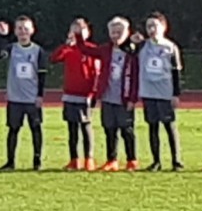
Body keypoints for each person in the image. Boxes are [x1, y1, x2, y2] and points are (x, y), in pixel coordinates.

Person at [77, 16, 139, 172]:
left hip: (124, 99)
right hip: (107, 97)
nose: (116, 35)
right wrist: (78, 34)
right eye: (113, 32)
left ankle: (132, 160)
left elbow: (136, 78)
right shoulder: (105, 50)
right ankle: (112, 160)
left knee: (127, 130)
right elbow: (85, 49)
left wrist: (132, 98)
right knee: (109, 129)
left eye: (119, 32)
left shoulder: (132, 53)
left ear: (127, 33)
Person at [0, 15, 47, 171]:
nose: (23, 31)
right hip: (15, 98)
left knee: (35, 129)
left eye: (26, 28)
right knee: (13, 130)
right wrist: (2, 37)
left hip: (32, 98)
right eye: (19, 28)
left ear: (32, 30)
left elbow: (42, 74)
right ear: (15, 31)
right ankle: (10, 162)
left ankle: (37, 161)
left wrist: (40, 95)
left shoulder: (38, 51)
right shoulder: (11, 48)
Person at [134, 12, 184, 172]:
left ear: (163, 27)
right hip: (148, 93)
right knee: (152, 127)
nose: (152, 29)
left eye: (155, 26)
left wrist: (176, 94)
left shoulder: (170, 47)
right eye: (149, 26)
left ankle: (176, 161)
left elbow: (176, 72)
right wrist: (131, 41)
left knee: (169, 126)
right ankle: (156, 161)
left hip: (165, 93)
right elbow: (126, 51)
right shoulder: (142, 46)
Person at [50, 18, 100, 171]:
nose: (76, 34)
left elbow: (96, 73)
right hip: (69, 94)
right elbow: (54, 58)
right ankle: (74, 160)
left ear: (87, 32)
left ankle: (89, 159)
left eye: (80, 30)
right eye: (73, 30)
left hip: (85, 95)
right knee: (72, 128)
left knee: (86, 126)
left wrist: (93, 93)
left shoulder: (92, 50)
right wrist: (66, 45)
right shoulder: (68, 49)